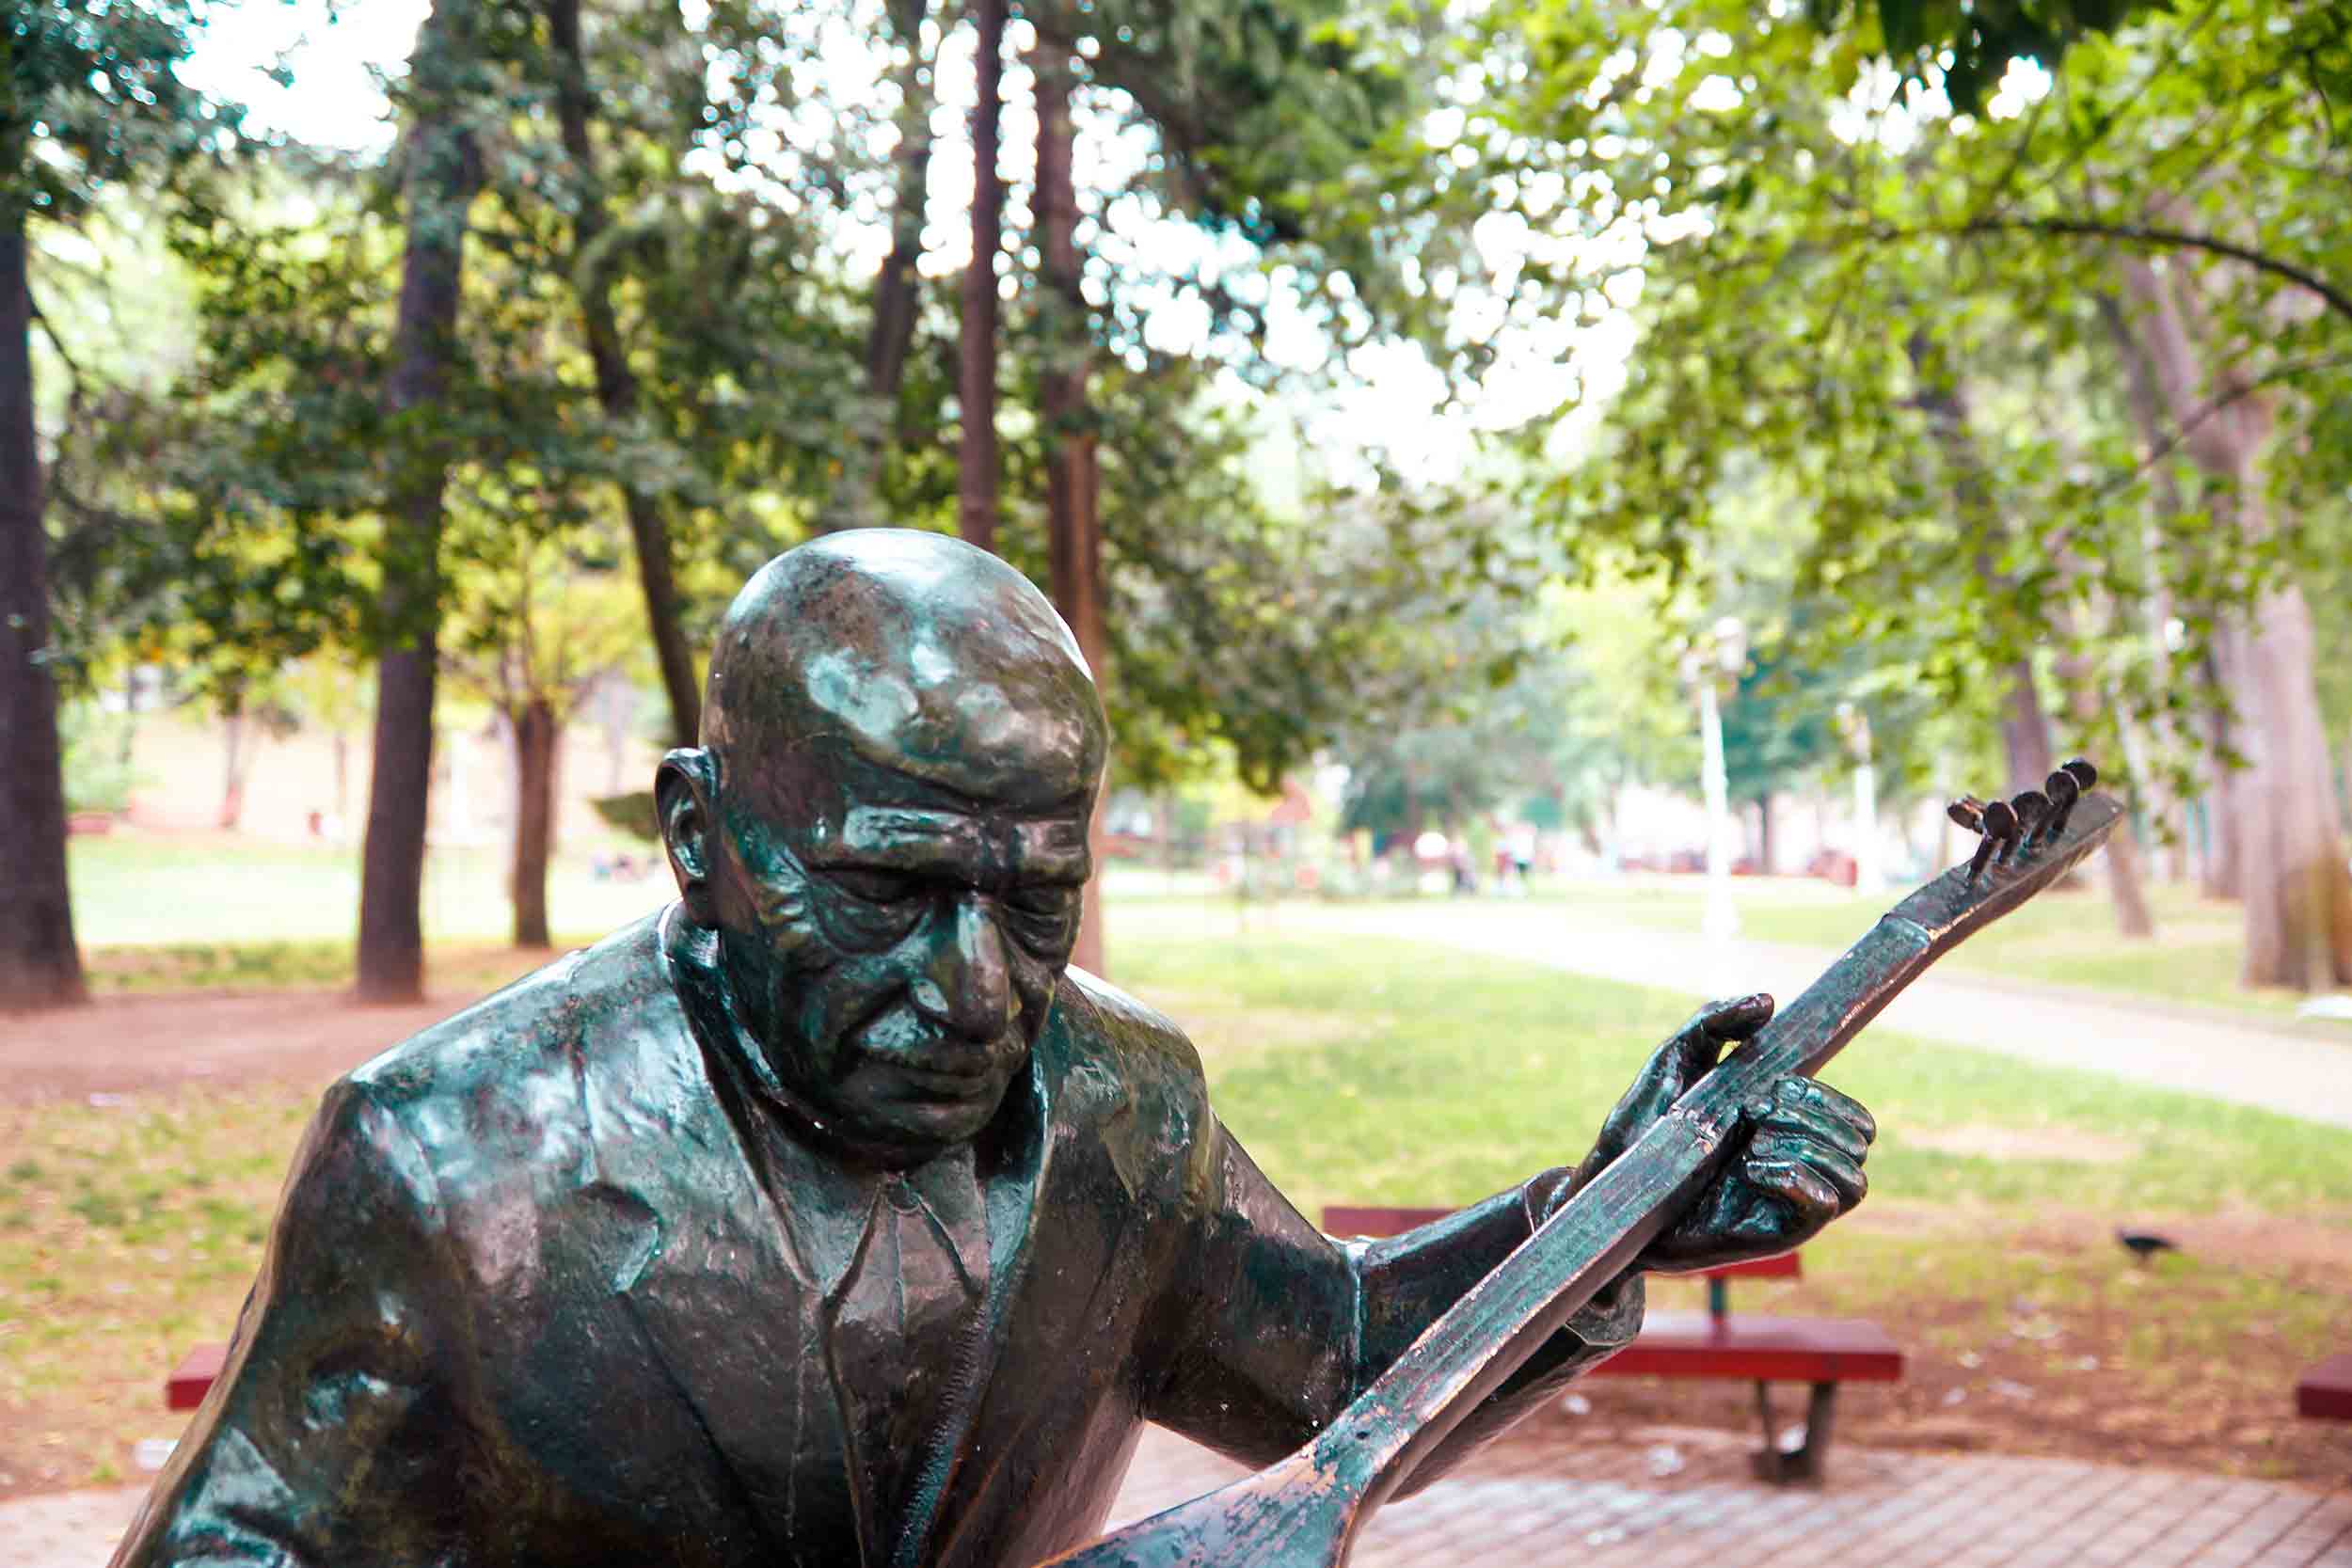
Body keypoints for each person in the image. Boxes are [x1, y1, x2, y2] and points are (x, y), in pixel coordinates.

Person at [114, 531, 1874, 1568]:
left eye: (1038, 900)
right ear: (701, 836)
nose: (974, 989)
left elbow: (1337, 1369)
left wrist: (1622, 1206)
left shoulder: (1122, 1107)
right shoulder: (450, 1160)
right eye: (889, 890)